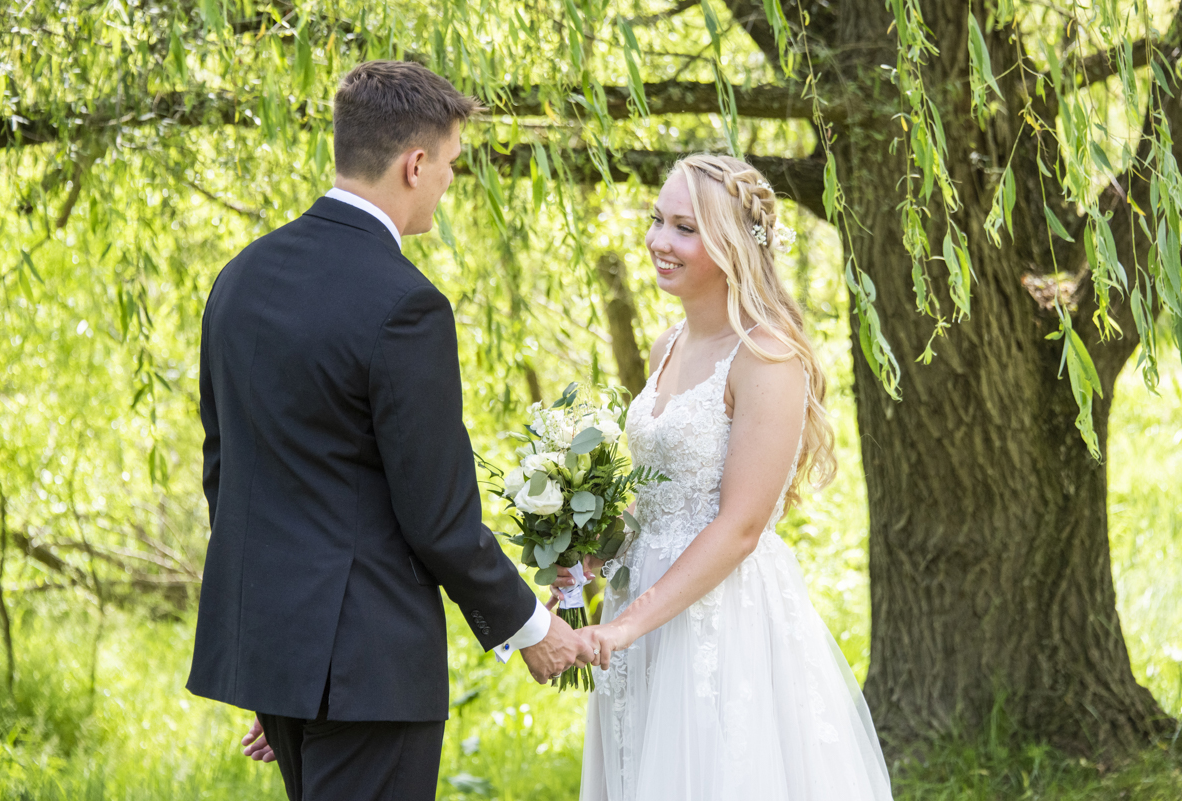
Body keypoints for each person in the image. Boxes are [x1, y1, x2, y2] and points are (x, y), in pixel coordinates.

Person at [186, 60, 594, 801]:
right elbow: (438, 517)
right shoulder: (407, 304)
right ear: (414, 163)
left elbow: (227, 470)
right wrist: (534, 627)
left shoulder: (239, 278)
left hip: (279, 657)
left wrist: (283, 663)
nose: (447, 183)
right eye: (450, 165)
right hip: (370, 668)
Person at [572, 155, 895, 800]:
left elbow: (742, 526)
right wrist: (588, 559)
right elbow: (658, 494)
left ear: (733, 245)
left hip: (720, 615)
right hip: (640, 602)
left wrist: (629, 624)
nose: (660, 241)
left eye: (685, 228)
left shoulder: (767, 357)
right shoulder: (667, 346)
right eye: (658, 220)